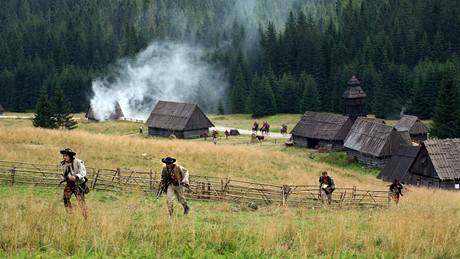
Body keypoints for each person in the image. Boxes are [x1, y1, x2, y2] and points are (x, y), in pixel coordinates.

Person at [60, 148, 89, 218]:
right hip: (70, 184)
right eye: (64, 156)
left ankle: (85, 216)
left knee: (81, 200)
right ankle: (70, 214)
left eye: (66, 156)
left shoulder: (78, 162)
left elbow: (83, 172)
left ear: (70, 156)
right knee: (65, 198)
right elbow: (65, 174)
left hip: (78, 183)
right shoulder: (64, 164)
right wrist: (67, 177)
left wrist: (76, 176)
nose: (64, 157)